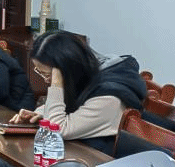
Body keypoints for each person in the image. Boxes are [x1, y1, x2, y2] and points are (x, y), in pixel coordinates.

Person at [10, 31, 147, 154]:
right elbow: (70, 105)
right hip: (82, 154)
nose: (46, 81)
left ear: (67, 70)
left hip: (104, 164)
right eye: (40, 72)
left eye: (48, 75)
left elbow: (57, 130)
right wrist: (39, 114)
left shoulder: (109, 97)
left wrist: (56, 84)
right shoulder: (86, 77)